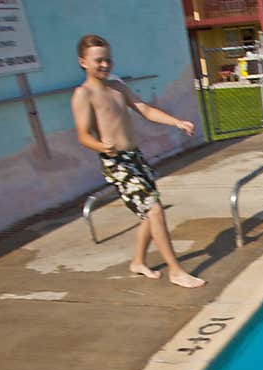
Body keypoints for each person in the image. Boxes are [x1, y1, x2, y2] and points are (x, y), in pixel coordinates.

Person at [71, 34, 206, 288]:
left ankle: (137, 262)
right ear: (83, 62)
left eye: (107, 60)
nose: (104, 65)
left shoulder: (117, 88)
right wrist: (102, 146)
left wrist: (176, 121)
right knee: (154, 210)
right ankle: (176, 271)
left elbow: (145, 109)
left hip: (135, 157)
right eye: (98, 61)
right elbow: (83, 135)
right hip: (117, 164)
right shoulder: (83, 94)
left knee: (148, 214)